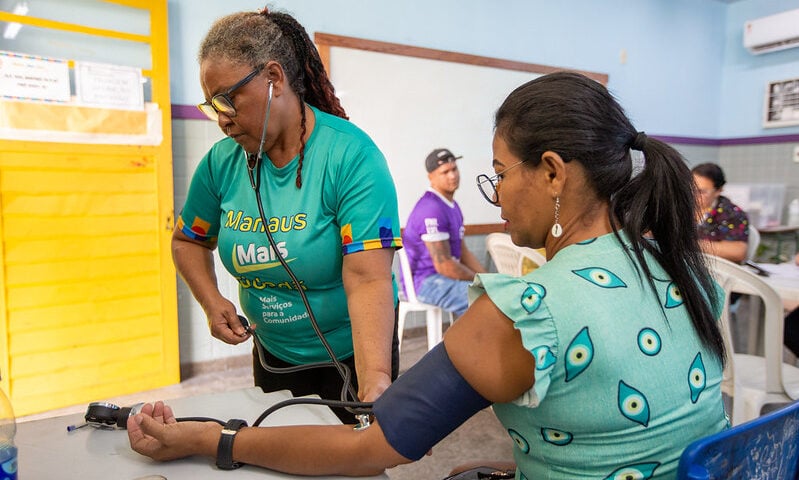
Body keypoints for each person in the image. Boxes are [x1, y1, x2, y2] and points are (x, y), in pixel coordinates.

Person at [128, 72, 728, 478]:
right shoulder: (685, 271)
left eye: (498, 172)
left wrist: (210, 438)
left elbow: (367, 449)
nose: (493, 198)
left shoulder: (528, 310)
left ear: (551, 174)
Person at [173, 7, 402, 423]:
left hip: (353, 354)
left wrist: (376, 379)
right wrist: (211, 302)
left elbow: (368, 277)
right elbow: (188, 239)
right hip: (273, 351)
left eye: (228, 99)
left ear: (273, 78)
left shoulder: (352, 157)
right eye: (212, 105)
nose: (222, 119)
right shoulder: (221, 163)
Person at [402, 148, 486, 317]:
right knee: (485, 301)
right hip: (425, 282)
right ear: (431, 177)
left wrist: (490, 280)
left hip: (443, 278)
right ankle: (468, 343)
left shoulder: (452, 206)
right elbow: (444, 265)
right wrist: (481, 283)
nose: (452, 175)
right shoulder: (431, 208)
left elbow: (463, 252)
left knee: (493, 294)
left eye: (454, 169)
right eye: (445, 172)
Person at [693, 162, 750, 263]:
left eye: (701, 192)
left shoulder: (731, 213)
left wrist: (692, 244)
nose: (693, 194)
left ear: (718, 191)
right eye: (690, 188)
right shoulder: (680, 206)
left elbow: (738, 252)